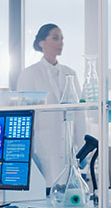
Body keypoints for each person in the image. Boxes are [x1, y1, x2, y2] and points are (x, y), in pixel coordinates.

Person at [16, 23, 87, 186]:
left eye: (62, 39)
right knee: (46, 188)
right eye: (55, 38)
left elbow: (79, 113)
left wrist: (81, 147)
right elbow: (25, 116)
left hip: (68, 146)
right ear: (42, 42)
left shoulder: (71, 73)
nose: (60, 42)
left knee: (69, 189)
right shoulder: (30, 73)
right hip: (43, 145)